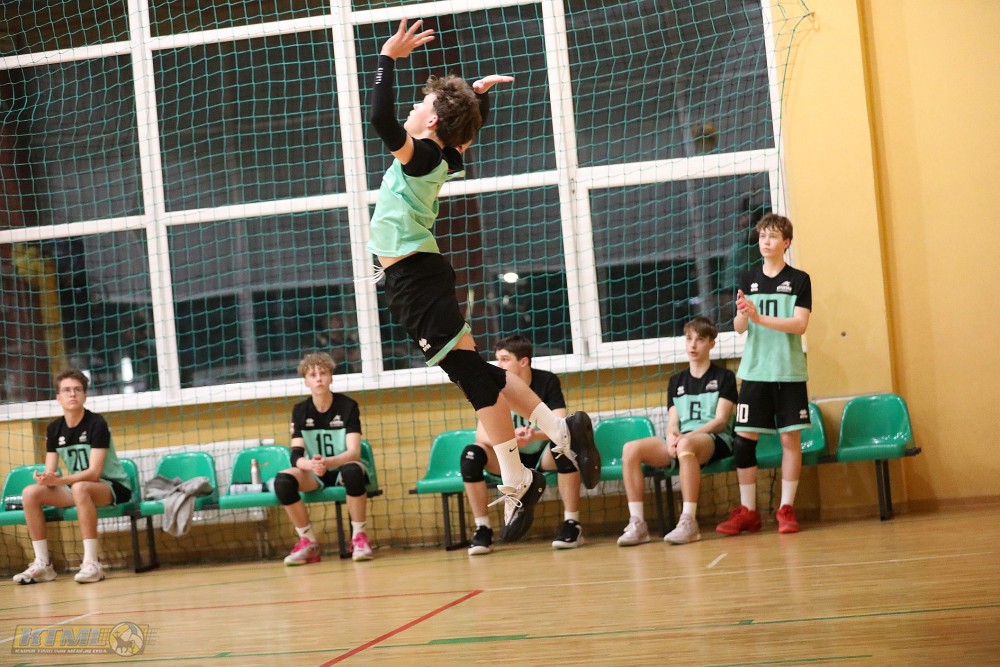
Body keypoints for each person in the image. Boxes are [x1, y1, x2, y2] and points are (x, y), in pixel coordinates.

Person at [367, 19, 600, 541]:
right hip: (417, 273)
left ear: (431, 122)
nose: (412, 108)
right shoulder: (443, 154)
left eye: (421, 104)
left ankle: (521, 473)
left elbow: (379, 116)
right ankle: (559, 434)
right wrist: (476, 99)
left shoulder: (421, 157)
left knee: (471, 376)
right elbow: (460, 134)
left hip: (414, 278)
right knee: (477, 371)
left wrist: (386, 57)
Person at [716, 213, 812, 536]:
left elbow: (799, 324)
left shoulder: (799, 280)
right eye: (761, 237)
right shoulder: (748, 278)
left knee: (789, 439)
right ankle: (749, 511)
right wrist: (744, 315)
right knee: (743, 442)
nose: (765, 242)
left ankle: (786, 508)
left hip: (787, 371)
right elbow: (739, 327)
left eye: (772, 237)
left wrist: (760, 318)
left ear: (786, 242)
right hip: (755, 371)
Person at [617, 317, 737, 546]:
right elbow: (673, 422)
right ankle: (637, 524)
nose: (693, 345)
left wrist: (685, 438)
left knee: (685, 445)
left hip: (714, 438)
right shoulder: (676, 381)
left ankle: (689, 522)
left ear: (711, 343)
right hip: (683, 439)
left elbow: (721, 421)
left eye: (700, 340)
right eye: (689, 339)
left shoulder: (724, 377)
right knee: (630, 449)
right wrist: (672, 437)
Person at [462, 334, 584, 554]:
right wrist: (511, 439)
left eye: (505, 359)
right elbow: (481, 435)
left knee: (566, 448)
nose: (498, 365)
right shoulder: (491, 384)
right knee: (471, 454)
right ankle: (483, 530)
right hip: (508, 457)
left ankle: (572, 524)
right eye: (497, 359)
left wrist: (533, 436)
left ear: (524, 361)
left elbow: (560, 425)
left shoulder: (546, 381)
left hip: (541, 455)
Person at [13, 369, 133, 584]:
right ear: (58, 397)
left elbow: (94, 473)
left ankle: (91, 563)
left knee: (80, 487)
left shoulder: (97, 423)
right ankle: (43, 564)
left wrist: (59, 481)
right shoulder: (54, 429)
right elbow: (51, 470)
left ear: (85, 395)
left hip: (112, 486)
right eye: (67, 390)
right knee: (30, 493)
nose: (72, 394)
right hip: (79, 487)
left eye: (77, 390)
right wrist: (45, 478)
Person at [274, 352, 373, 564]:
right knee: (283, 481)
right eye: (313, 375)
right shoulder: (300, 410)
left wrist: (328, 462)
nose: (318, 378)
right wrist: (311, 465)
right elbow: (296, 456)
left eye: (323, 373)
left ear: (331, 377)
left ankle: (359, 537)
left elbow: (354, 452)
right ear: (306, 381)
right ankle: (308, 541)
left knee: (353, 471)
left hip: (341, 467)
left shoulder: (348, 406)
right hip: (315, 472)